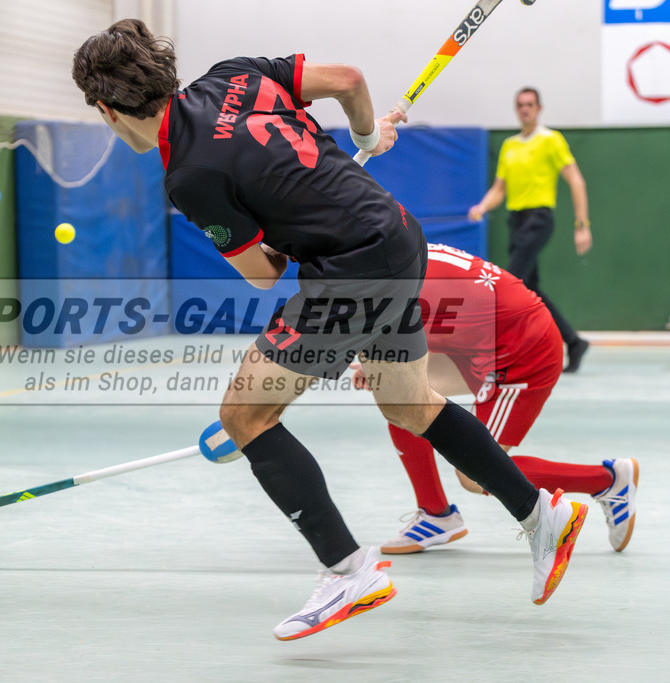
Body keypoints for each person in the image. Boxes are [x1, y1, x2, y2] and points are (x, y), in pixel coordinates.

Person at [72, 20, 588, 641]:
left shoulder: (187, 177)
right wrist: (367, 135)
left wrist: (279, 232)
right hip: (399, 238)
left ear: (107, 109)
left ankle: (347, 569)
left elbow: (263, 275)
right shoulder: (232, 75)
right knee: (408, 402)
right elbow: (348, 81)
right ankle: (539, 514)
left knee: (245, 415)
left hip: (351, 272)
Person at [349, 243, 637, 554]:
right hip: (484, 345)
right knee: (401, 396)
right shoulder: (394, 250)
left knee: (474, 475)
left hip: (524, 353)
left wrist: (376, 358)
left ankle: (608, 480)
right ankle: (437, 516)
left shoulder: (381, 279)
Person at [468, 87, 592, 373]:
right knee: (530, 286)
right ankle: (574, 342)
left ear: (539, 108)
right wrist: (483, 206)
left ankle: (502, 355)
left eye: (530, 105)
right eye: (520, 105)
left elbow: (576, 181)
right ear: (516, 109)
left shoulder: (551, 140)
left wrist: (582, 225)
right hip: (516, 221)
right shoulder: (510, 146)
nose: (525, 109)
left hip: (538, 219)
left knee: (510, 283)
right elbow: (500, 188)